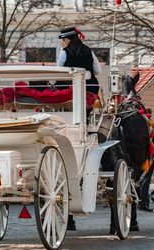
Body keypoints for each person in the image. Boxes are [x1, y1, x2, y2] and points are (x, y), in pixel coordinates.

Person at [57, 27, 101, 231]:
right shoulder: (88, 51)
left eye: (63, 40)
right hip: (88, 94)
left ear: (68, 39)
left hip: (69, 93)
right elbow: (98, 71)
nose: (62, 43)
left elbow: (59, 71)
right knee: (86, 113)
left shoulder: (65, 53)